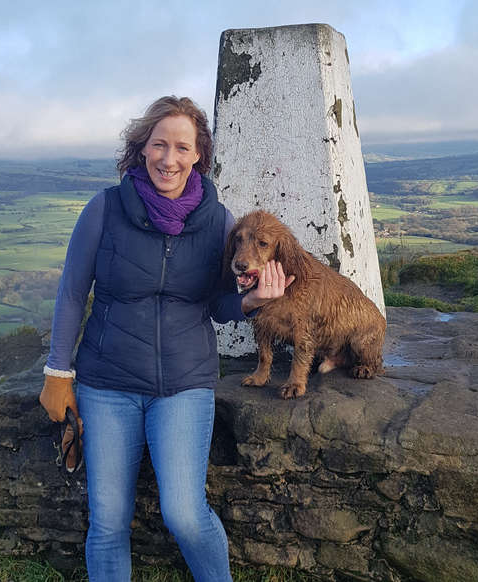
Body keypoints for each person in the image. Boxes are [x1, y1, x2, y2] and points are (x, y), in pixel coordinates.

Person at [39, 96, 293, 582]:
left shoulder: (218, 222)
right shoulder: (105, 209)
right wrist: (58, 372)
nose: (168, 159)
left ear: (199, 154)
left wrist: (252, 303)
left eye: (182, 147)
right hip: (106, 384)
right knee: (108, 522)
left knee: (184, 513)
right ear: (142, 148)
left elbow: (216, 305)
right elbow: (72, 293)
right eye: (159, 145)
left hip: (183, 385)